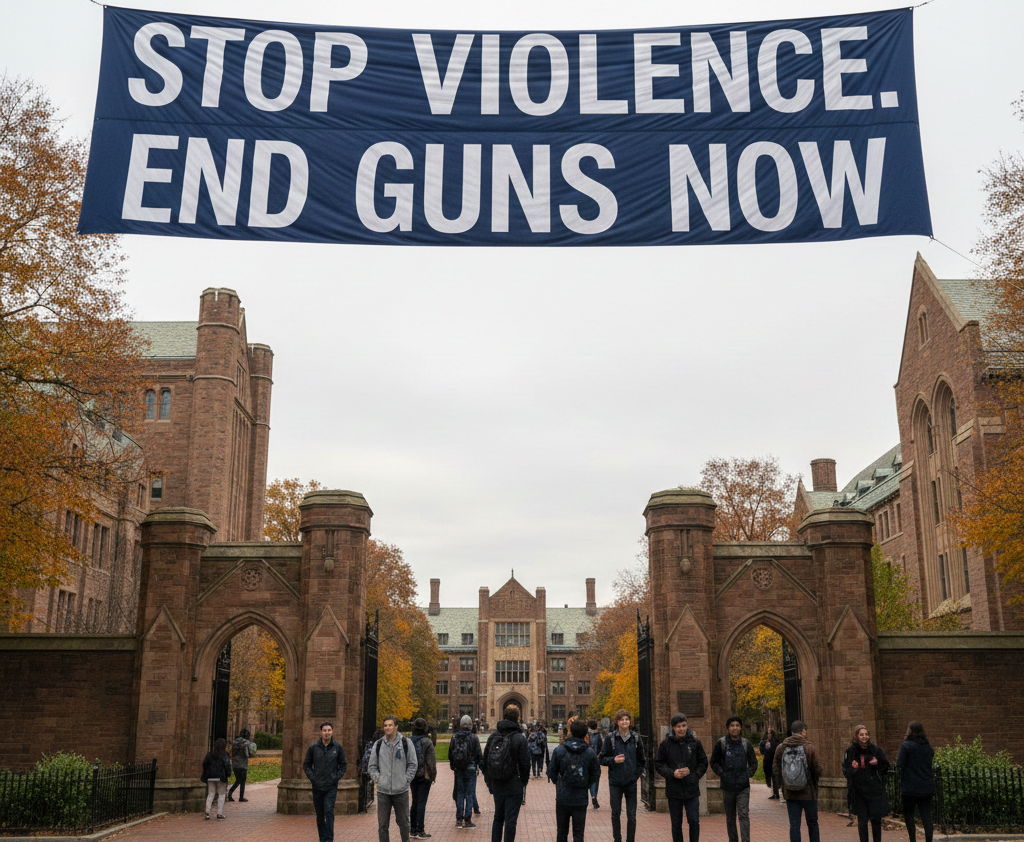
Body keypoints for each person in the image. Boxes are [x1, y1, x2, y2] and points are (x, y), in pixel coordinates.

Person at [655, 713, 707, 842]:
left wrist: (695, 776)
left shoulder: (695, 743)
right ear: (673, 727)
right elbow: (659, 764)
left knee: (694, 821)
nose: (682, 729)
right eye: (679, 726)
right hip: (674, 790)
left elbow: (703, 762)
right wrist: (672, 773)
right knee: (676, 824)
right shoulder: (665, 744)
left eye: (684, 725)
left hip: (691, 789)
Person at [482, 704, 531, 842]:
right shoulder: (519, 738)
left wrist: (489, 781)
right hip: (514, 784)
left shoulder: (493, 736)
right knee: (510, 820)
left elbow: (484, 761)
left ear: (504, 716)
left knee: (498, 817)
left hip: (497, 783)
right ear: (518, 718)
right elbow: (525, 764)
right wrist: (523, 782)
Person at [548, 717, 600, 842]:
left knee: (562, 832)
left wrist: (560, 782)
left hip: (563, 796)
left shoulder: (560, 750)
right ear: (585, 733)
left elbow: (551, 772)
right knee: (578, 833)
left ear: (570, 731)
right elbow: (596, 773)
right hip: (580, 797)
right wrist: (586, 784)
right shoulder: (589, 752)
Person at [368, 715, 419, 842]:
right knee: (383, 825)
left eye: (390, 725)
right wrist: (378, 779)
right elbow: (372, 766)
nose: (387, 728)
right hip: (383, 792)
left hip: (401, 791)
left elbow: (413, 764)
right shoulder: (378, 744)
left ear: (396, 726)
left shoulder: (406, 743)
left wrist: (406, 780)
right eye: (385, 725)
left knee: (404, 824)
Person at [772, 720, 824, 842]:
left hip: (790, 793)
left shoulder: (781, 747)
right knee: (812, 823)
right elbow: (817, 768)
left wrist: (783, 784)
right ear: (803, 731)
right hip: (809, 793)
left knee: (794, 824)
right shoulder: (809, 747)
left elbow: (775, 767)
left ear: (792, 732)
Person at [599, 709, 646, 842]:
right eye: (621, 719)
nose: (624, 722)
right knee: (615, 813)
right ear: (617, 722)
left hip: (631, 782)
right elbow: (601, 758)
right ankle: (617, 839)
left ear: (630, 722)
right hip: (615, 782)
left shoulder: (635, 738)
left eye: (626, 719)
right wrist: (613, 760)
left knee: (631, 815)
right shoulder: (611, 738)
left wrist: (635, 775)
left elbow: (642, 760)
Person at [710, 716, 758, 842]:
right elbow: (714, 762)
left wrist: (748, 774)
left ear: (741, 728)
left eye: (737, 725)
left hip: (743, 787)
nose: (735, 728)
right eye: (732, 725)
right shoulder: (721, 743)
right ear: (728, 728)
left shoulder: (745, 744)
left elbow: (753, 762)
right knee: (730, 817)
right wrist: (723, 774)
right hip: (727, 787)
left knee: (743, 815)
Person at [842, 725, 890, 842]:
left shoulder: (875, 750)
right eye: (862, 734)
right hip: (858, 791)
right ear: (856, 736)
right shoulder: (851, 751)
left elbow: (885, 767)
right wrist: (853, 769)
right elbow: (845, 770)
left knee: (876, 820)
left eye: (866, 734)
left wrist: (877, 763)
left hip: (874, 790)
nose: (865, 737)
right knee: (862, 820)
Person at [303, 721, 348, 842]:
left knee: (329, 812)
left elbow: (343, 764)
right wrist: (314, 778)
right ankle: (322, 838)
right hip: (317, 787)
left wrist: (335, 778)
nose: (327, 733)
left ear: (332, 732)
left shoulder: (337, 747)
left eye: (329, 730)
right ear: (321, 732)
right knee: (320, 814)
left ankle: (329, 839)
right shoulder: (313, 748)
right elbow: (306, 765)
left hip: (331, 787)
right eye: (324, 730)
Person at [895, 721, 934, 842]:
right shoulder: (928, 747)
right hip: (927, 786)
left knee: (909, 816)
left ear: (910, 731)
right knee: (926, 816)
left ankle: (913, 840)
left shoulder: (906, 746)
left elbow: (899, 763)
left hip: (910, 787)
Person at [450, 714, 484, 828]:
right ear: (470, 725)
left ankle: (459, 819)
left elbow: (450, 754)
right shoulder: (474, 738)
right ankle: (468, 819)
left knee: (460, 793)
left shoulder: (454, 737)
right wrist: (480, 767)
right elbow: (479, 755)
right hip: (470, 768)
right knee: (469, 794)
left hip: (459, 769)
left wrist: (453, 766)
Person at [410, 718, 437, 839]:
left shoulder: (409, 741)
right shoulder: (427, 741)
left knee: (415, 802)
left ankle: (413, 829)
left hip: (412, 775)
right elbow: (431, 761)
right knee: (421, 803)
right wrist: (432, 775)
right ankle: (420, 830)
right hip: (424, 775)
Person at [202, 737, 231, 820]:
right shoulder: (225, 754)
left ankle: (207, 812)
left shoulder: (210, 754)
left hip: (211, 776)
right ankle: (219, 813)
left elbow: (205, 764)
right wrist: (228, 773)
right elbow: (227, 765)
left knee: (211, 794)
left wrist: (207, 772)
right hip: (221, 776)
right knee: (221, 794)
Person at [227, 728, 257, 803]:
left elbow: (232, 753)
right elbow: (246, 754)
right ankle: (240, 796)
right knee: (242, 781)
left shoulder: (234, 742)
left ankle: (230, 793)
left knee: (238, 780)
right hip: (242, 764)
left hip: (235, 764)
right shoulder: (246, 743)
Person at [587, 720, 603, 809]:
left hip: (586, 760)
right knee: (595, 779)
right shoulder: (598, 736)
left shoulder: (586, 735)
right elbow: (601, 748)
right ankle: (593, 796)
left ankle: (585, 797)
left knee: (586, 778)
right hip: (595, 760)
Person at [759, 728, 780, 799]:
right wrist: (765, 747)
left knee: (775, 777)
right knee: (768, 776)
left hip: (774, 761)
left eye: (770, 733)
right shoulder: (763, 742)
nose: (769, 735)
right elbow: (761, 751)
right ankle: (774, 792)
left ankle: (776, 793)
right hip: (767, 762)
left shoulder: (776, 741)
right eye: (768, 733)